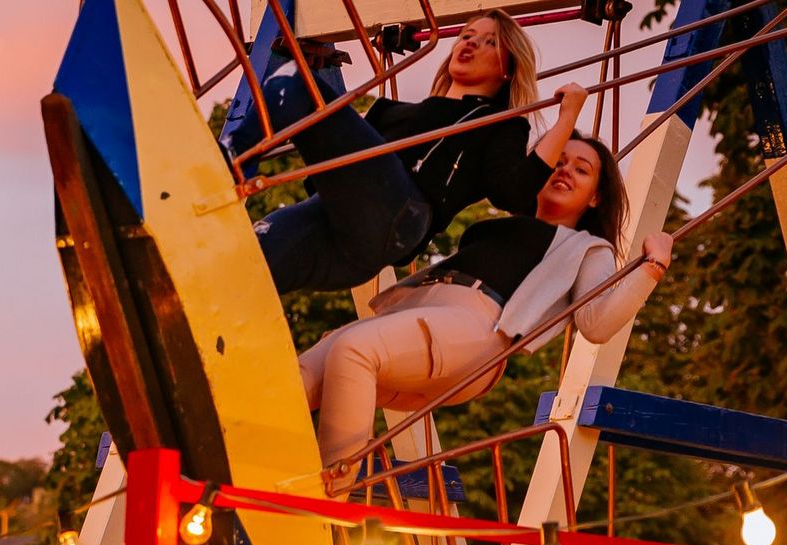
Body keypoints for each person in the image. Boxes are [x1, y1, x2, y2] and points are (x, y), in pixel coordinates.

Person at [298, 134, 674, 493]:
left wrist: (652, 266)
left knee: (353, 349)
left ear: (596, 197)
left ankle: (330, 492)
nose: (563, 171)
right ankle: (259, 461)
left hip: (479, 325)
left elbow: (597, 323)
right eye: (557, 162)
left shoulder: (586, 248)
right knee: (308, 369)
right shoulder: (499, 224)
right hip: (424, 308)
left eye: (581, 169)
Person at [220, 9, 591, 294]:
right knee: (246, 265)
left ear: (509, 69)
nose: (471, 44)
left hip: (400, 218)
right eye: (466, 35)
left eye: (491, 42)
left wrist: (567, 117)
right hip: (345, 234)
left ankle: (220, 172)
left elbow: (512, 192)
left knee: (294, 83)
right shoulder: (389, 112)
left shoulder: (496, 121)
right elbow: (328, 177)